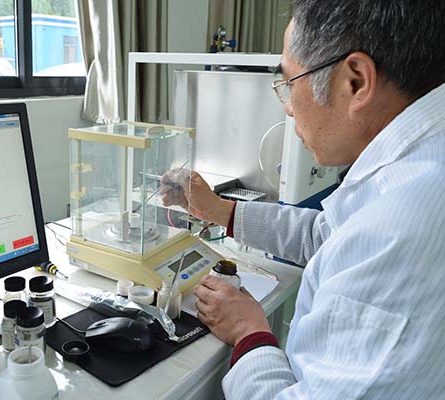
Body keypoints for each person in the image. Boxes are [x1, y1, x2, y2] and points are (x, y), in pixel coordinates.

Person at [161, 1, 445, 398]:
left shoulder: (403, 224)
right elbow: (327, 235)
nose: (288, 108)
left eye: (289, 83)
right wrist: (217, 210)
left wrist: (249, 333)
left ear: (355, 82)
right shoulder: (414, 166)